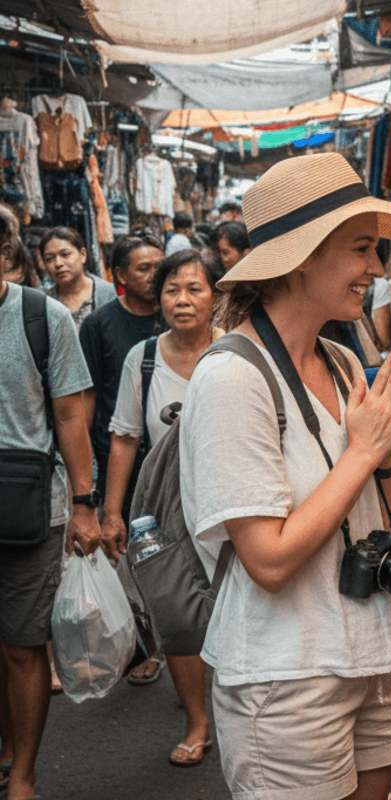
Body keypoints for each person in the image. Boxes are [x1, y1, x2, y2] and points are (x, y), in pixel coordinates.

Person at [180, 152, 391, 800]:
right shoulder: (231, 378)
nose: (377, 268)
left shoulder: (341, 361)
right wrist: (363, 453)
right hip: (287, 674)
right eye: (361, 249)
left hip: (370, 650)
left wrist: (385, 455)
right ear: (301, 258)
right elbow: (269, 560)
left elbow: (376, 507)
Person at [102, 248, 223, 767]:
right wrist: (112, 513)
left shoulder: (236, 351)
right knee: (176, 613)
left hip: (231, 498)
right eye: (172, 290)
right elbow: (125, 437)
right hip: (166, 508)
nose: (182, 300)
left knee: (240, 605)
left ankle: (240, 711)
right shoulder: (144, 358)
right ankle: (198, 721)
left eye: (194, 289)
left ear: (215, 297)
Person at [0, 220, 104, 800]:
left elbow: (70, 415)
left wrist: (85, 505)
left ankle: (23, 775)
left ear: (5, 252)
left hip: (30, 506)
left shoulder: (43, 317)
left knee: (22, 644)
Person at [78, 234, 166, 685]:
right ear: (119, 276)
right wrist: (88, 478)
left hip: (171, 457)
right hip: (121, 460)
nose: (155, 275)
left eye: (159, 265)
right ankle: (147, 645)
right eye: (143, 268)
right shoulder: (100, 325)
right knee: (131, 558)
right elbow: (87, 397)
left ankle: (183, 642)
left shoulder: (177, 315)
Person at [41, 226, 118, 329]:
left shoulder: (111, 295)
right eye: (50, 259)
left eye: (65, 254)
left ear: (82, 255)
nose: (58, 263)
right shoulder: (42, 303)